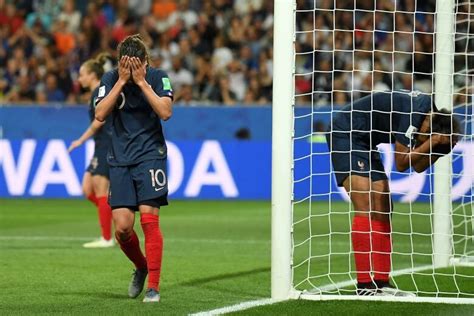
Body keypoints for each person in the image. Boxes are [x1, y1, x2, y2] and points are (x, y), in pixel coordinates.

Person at [327, 90, 460, 296]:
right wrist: (431, 143)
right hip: (346, 133)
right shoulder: (416, 113)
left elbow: (417, 167)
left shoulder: (427, 118)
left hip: (366, 142)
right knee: (366, 204)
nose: (420, 140)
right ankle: (364, 285)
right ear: (429, 128)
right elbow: (401, 163)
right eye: (424, 137)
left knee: (384, 207)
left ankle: (382, 283)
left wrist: (438, 150)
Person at [95, 34, 173, 303]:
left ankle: (153, 286)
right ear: (118, 63)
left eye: (135, 65)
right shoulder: (109, 79)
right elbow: (100, 113)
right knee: (123, 228)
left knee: (149, 220)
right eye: (124, 66)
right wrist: (121, 81)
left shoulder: (157, 76)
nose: (129, 70)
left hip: (151, 155)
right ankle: (140, 266)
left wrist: (140, 82)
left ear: (145, 61)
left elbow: (165, 112)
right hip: (120, 159)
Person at [68, 53, 114, 248]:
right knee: (87, 189)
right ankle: (114, 217)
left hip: (106, 143)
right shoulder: (94, 94)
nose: (79, 79)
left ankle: (106, 238)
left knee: (100, 189)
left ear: (92, 75)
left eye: (82, 75)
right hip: (100, 144)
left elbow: (98, 122)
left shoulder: (99, 93)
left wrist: (80, 140)